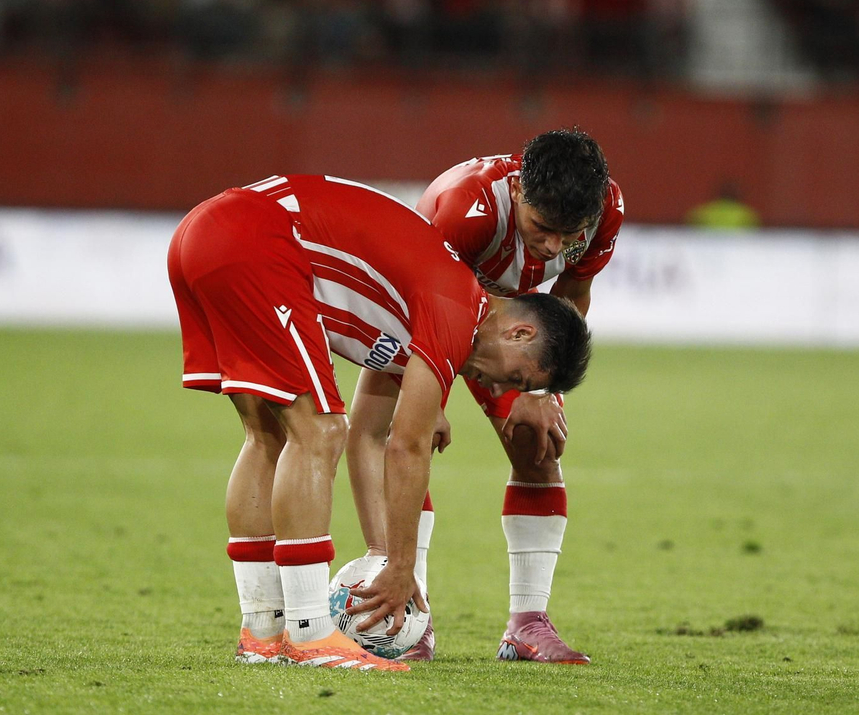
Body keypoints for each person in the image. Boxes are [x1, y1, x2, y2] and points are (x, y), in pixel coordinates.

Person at [167, 173, 592, 672]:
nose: (499, 391)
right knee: (320, 430)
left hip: (205, 232)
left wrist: (428, 399)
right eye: (515, 376)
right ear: (519, 331)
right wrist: (400, 565)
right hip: (256, 238)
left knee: (268, 435)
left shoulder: (442, 301)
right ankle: (309, 633)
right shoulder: (459, 305)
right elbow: (404, 446)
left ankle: (262, 631)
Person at [345, 130, 622, 663]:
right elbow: (411, 296)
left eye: (571, 235)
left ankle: (527, 625)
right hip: (418, 314)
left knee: (538, 447)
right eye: (543, 228)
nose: (552, 247)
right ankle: (411, 620)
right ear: (519, 190)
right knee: (401, 438)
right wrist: (429, 395)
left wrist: (539, 389)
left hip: (509, 330)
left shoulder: (606, 208)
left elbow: (571, 298)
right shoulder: (464, 208)